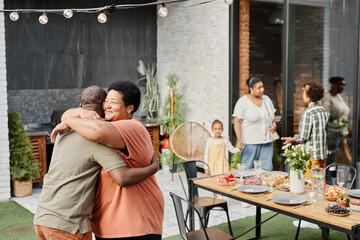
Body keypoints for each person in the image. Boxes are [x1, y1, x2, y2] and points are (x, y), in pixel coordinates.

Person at [34, 86, 159, 240]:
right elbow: (122, 177)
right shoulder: (93, 138)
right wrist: (153, 167)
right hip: (68, 225)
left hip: (43, 217)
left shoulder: (64, 133)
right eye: (106, 102)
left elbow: (98, 130)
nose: (107, 106)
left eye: (112, 102)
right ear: (99, 110)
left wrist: (69, 119)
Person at [282, 81, 329, 180]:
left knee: (310, 183)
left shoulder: (308, 112)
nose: (302, 96)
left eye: (304, 93)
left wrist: (292, 139)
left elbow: (303, 137)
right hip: (323, 154)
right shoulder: (324, 111)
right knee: (320, 182)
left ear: (309, 97)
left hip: (311, 156)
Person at [232, 77, 276, 171]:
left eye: (262, 87)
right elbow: (237, 122)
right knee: (248, 170)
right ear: (251, 89)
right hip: (250, 143)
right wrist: (239, 140)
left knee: (266, 171)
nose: (262, 90)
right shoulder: (243, 102)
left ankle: (264, 186)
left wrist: (274, 125)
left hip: (267, 143)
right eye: (259, 88)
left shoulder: (267, 99)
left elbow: (273, 116)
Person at [322, 76, 351, 165]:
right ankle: (326, 177)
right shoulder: (327, 97)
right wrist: (338, 116)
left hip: (341, 132)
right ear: (333, 85)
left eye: (344, 85)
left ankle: (333, 177)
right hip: (332, 133)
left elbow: (344, 113)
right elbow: (326, 115)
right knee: (331, 159)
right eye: (340, 85)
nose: (342, 87)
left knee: (339, 159)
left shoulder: (338, 96)